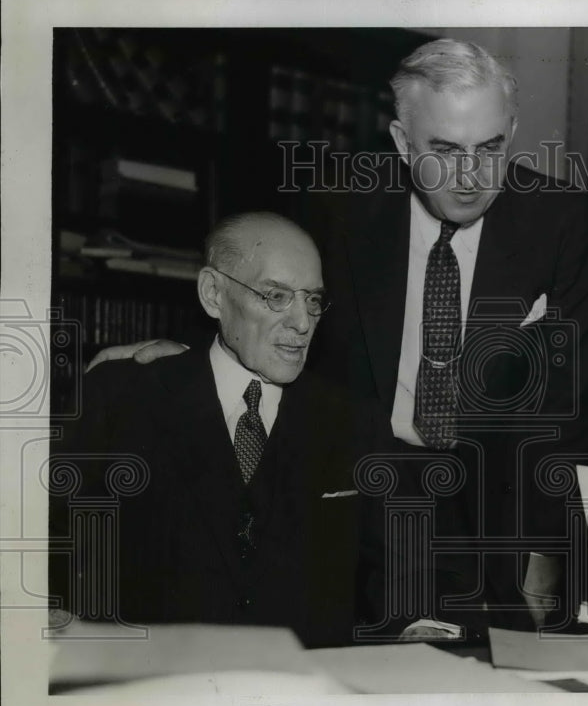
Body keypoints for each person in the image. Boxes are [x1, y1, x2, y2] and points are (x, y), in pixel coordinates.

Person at [85, 39, 588, 639]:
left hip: (488, 496)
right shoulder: (341, 202)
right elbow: (267, 284)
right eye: (444, 150)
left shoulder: (558, 219)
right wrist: (186, 344)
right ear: (402, 142)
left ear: (511, 131)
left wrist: (542, 551)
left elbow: (568, 407)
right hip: (355, 475)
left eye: (490, 148)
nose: (470, 176)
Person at [49, 212, 383, 647]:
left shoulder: (355, 420)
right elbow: (48, 548)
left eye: (313, 300)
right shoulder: (121, 396)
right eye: (276, 296)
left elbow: (400, 572)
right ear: (213, 294)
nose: (303, 322)